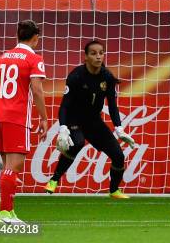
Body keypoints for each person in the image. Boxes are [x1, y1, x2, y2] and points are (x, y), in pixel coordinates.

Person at [44, 40, 136, 199]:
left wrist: (119, 128)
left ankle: (114, 190)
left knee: (119, 156)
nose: (98, 56)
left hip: (94, 122)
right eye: (93, 53)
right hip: (74, 119)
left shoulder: (107, 77)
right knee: (77, 143)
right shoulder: (76, 76)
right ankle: (54, 180)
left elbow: (112, 106)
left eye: (101, 53)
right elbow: (65, 106)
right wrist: (63, 127)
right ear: (86, 57)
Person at [0, 20, 49, 224]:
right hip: (17, 117)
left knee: (7, 166)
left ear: (17, 36)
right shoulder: (34, 59)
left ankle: (8, 212)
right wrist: (44, 118)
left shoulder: (1, 58)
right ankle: (4, 213)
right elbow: (37, 90)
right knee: (14, 166)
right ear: (35, 38)